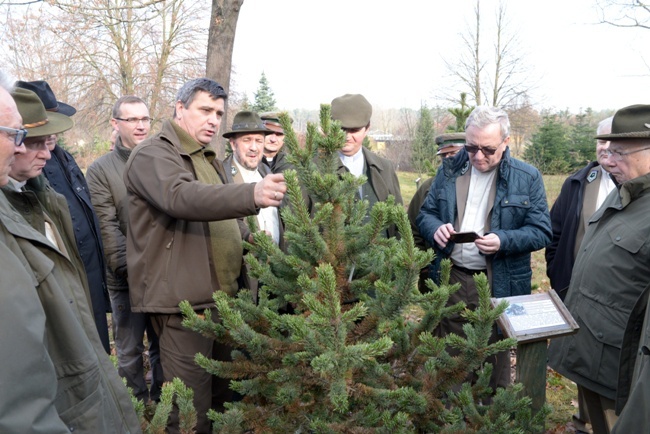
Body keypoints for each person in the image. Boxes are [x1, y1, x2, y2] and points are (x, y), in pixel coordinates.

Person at [124, 77, 286, 434]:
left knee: (223, 403)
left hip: (222, 302)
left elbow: (228, 221)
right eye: (205, 110)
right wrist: (251, 194)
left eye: (219, 113)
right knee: (189, 414)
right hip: (183, 306)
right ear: (180, 108)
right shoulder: (154, 154)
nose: (213, 120)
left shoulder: (206, 158)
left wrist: (252, 241)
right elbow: (182, 197)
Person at [0, 71, 140, 433]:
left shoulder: (44, 190)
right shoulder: (19, 207)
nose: (47, 151)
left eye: (51, 141)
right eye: (33, 141)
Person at [416, 106, 552, 392]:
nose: (477, 156)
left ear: (506, 141)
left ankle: (491, 415)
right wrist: (435, 228)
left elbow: (541, 232)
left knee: (494, 356)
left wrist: (502, 240)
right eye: (471, 147)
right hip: (453, 277)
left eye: (488, 149)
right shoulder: (451, 169)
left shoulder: (526, 178)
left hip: (499, 281)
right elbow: (425, 214)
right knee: (450, 356)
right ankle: (452, 413)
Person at [548, 104, 650, 434]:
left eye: (619, 152)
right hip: (590, 354)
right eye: (606, 151)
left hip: (622, 373)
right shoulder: (626, 193)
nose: (607, 161)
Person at [16, 79, 111, 353]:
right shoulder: (30, 166)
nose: (53, 133)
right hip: (65, 281)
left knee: (98, 349)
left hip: (88, 272)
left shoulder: (63, 157)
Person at [86, 95, 163, 403]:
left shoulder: (162, 159)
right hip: (126, 279)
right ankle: (135, 407)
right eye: (132, 119)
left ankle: (164, 404)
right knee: (130, 349)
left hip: (164, 275)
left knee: (163, 346)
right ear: (115, 124)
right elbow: (108, 228)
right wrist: (134, 271)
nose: (140, 125)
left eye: (145, 119)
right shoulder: (101, 170)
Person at [545, 117, 615, 433]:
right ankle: (582, 420)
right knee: (582, 358)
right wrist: (558, 278)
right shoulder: (579, 181)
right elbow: (555, 233)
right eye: (601, 141)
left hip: (619, 299)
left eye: (613, 142)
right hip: (577, 291)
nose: (605, 147)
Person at [330, 93, 403, 237]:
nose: (347, 137)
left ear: (367, 129)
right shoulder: (313, 170)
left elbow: (399, 225)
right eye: (341, 129)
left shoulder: (385, 168)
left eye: (354, 130)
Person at [407, 132, 466, 292]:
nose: (447, 159)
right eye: (443, 156)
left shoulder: (481, 184)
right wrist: (425, 265)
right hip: (436, 275)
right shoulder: (428, 188)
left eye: (453, 154)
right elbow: (412, 229)